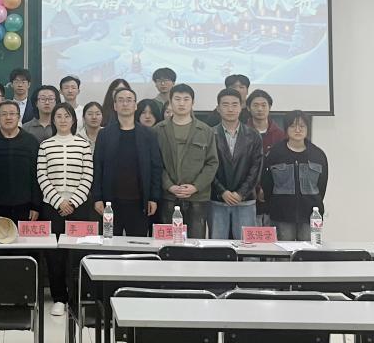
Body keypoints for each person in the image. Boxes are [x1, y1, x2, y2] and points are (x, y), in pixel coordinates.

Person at [37, 103, 93, 316]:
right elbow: (41, 175)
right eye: (58, 116)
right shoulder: (45, 145)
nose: (62, 120)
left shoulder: (83, 145)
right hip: (53, 207)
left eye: (66, 116)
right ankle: (59, 297)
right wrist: (59, 202)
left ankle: (77, 297)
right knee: (55, 255)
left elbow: (88, 176)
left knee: (77, 254)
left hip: (79, 207)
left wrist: (73, 202)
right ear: (53, 120)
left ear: (73, 120)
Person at [91, 87, 162, 236]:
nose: (125, 104)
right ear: (115, 106)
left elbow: (156, 168)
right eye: (121, 100)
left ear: (135, 105)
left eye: (129, 100)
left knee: (137, 244)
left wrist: (154, 198)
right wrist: (97, 198)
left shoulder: (148, 134)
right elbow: (98, 167)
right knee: (109, 244)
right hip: (110, 202)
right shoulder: (104, 134)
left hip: (139, 202)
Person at [153, 84, 218, 239]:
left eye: (186, 99)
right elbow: (155, 163)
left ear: (192, 102)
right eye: (177, 99)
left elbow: (212, 163)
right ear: (170, 102)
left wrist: (196, 186)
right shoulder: (158, 130)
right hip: (168, 197)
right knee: (167, 243)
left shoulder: (205, 130)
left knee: (195, 243)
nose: (181, 103)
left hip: (197, 197)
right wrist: (169, 185)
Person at [262, 110, 328, 241]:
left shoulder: (318, 155)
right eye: (292, 126)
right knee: (284, 251)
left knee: (309, 250)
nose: (297, 130)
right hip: (281, 214)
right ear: (286, 129)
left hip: (310, 215)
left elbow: (322, 185)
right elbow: (267, 183)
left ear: (307, 129)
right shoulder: (275, 153)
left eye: (302, 126)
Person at [210, 88, 263, 239]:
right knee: (217, 247)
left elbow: (256, 169)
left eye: (234, 104)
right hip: (217, 200)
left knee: (248, 247)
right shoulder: (209, 134)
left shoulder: (254, 135)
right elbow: (207, 167)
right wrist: (222, 192)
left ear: (241, 107)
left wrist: (241, 193)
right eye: (225, 105)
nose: (230, 109)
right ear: (218, 108)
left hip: (245, 201)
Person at [0, 101, 41, 223]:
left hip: (26, 207)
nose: (8, 117)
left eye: (12, 113)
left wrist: (36, 206)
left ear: (18, 117)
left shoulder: (31, 142)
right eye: (4, 114)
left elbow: (36, 177)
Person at [246, 89, 285, 226]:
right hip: (247, 194)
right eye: (255, 105)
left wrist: (266, 189)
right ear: (248, 108)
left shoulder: (280, 135)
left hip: (274, 195)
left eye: (264, 105)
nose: (260, 109)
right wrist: (255, 188)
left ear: (270, 107)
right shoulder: (242, 132)